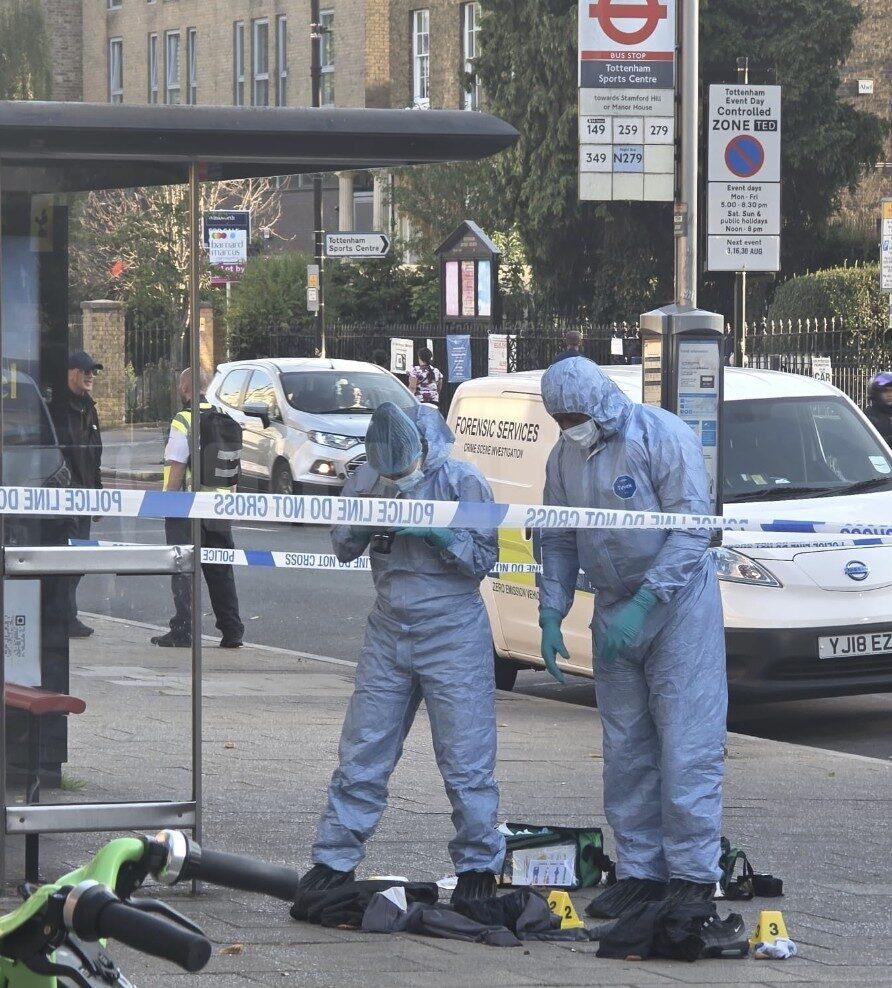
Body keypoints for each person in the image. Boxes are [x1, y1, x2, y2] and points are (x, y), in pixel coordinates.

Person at [537, 357, 726, 919]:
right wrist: (553, 612)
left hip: (678, 610)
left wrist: (649, 599)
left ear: (597, 403)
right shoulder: (564, 456)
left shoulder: (661, 436)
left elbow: (692, 527)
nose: (567, 425)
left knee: (687, 741)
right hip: (615, 610)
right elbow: (558, 536)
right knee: (626, 747)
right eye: (559, 417)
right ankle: (641, 868)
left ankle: (692, 873)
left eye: (572, 414)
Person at [297, 402, 505, 903]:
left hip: (452, 630)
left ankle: (479, 866)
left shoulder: (461, 481)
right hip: (389, 627)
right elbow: (342, 545)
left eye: (404, 472)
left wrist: (439, 533)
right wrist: (368, 524)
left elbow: (484, 558)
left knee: (465, 755)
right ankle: (333, 857)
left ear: (423, 452)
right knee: (363, 749)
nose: (397, 480)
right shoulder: (368, 477)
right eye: (388, 473)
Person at [151, 367, 244, 649]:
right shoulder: (225, 419)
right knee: (221, 571)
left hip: (188, 507)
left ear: (185, 388)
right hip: (218, 508)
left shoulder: (184, 420)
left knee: (183, 569)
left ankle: (184, 629)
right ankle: (232, 630)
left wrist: (169, 503)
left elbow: (177, 465)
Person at [51, 350, 104, 639]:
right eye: (86, 371)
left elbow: (94, 455)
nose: (90, 376)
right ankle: (65, 617)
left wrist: (97, 495)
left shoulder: (89, 407)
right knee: (66, 559)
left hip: (86, 494)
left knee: (79, 559)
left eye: (93, 372)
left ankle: (66, 615)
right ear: (71, 372)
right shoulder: (58, 407)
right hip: (64, 497)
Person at [866, 372, 892, 450]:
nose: (890, 394)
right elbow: (868, 444)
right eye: (885, 391)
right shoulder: (869, 417)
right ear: (876, 393)